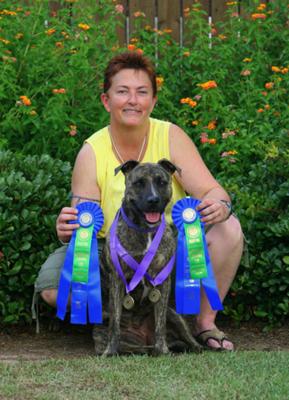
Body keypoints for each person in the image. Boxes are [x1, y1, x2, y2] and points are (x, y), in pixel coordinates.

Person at [34, 51, 243, 351]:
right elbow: (82, 220)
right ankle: (124, 323)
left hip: (170, 244)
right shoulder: (91, 151)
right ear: (106, 100)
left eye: (142, 92)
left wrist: (220, 205)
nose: (133, 100)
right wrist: (67, 226)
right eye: (122, 92)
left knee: (229, 229)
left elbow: (214, 191)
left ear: (153, 101)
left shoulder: (171, 136)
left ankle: (203, 324)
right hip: (113, 247)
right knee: (54, 288)